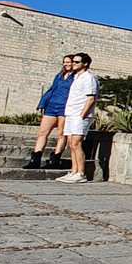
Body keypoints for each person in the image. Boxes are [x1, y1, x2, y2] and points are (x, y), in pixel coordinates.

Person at [22, 56, 74, 169]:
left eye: (68, 62)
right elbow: (52, 89)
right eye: (64, 62)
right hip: (52, 105)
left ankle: (55, 160)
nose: (66, 64)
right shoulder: (59, 76)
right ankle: (35, 159)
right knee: (42, 132)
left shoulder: (76, 77)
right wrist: (43, 102)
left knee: (61, 134)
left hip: (64, 107)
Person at [56, 53, 98, 184]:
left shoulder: (89, 78)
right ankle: (74, 171)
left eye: (76, 62)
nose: (73, 64)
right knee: (71, 144)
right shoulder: (76, 78)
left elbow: (91, 98)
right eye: (73, 62)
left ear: (84, 64)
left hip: (80, 115)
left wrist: (82, 115)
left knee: (76, 143)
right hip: (70, 113)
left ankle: (81, 173)